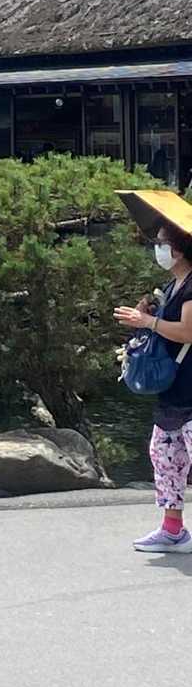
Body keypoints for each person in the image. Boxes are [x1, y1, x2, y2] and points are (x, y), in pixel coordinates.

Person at [115, 220, 192, 553]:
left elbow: (188, 332)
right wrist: (145, 316)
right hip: (173, 391)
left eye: (162, 243)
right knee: (165, 459)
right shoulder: (173, 285)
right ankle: (172, 530)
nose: (157, 248)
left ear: (179, 249)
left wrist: (149, 321)